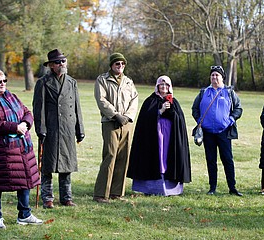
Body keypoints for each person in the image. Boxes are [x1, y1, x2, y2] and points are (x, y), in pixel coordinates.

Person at [0, 68, 42, 229]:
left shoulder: (11, 96)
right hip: (1, 148)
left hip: (21, 146)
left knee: (24, 179)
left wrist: (25, 124)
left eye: (5, 81)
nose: (3, 84)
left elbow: (27, 111)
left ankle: (24, 214)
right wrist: (15, 127)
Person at [33, 49, 85, 209]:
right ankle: (47, 198)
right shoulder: (43, 82)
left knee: (67, 165)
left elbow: (77, 107)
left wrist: (79, 129)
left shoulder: (72, 82)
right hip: (51, 128)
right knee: (47, 165)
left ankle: (66, 197)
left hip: (68, 128)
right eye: (57, 62)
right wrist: (40, 129)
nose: (61, 64)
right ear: (50, 65)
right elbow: (38, 108)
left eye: (63, 61)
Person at [127, 75, 191, 195]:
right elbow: (145, 120)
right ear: (157, 86)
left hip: (170, 138)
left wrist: (171, 111)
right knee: (156, 157)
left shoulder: (174, 102)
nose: (164, 87)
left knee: (167, 158)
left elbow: (179, 121)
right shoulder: (150, 101)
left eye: (166, 85)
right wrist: (159, 111)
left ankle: (171, 188)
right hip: (154, 137)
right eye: (161, 84)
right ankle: (151, 188)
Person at [93, 52, 138, 203]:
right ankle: (101, 194)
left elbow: (134, 100)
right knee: (110, 155)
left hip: (126, 123)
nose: (120, 66)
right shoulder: (102, 80)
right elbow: (101, 100)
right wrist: (115, 115)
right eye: (117, 64)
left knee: (123, 157)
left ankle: (117, 193)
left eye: (122, 64)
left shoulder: (128, 82)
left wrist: (127, 117)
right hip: (110, 122)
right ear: (111, 65)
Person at [192, 65, 243, 196]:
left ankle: (232, 187)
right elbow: (195, 109)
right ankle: (212, 187)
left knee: (227, 159)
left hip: (224, 132)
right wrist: (199, 121)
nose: (214, 77)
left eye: (217, 75)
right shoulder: (204, 92)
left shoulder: (229, 92)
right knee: (211, 160)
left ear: (222, 77)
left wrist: (230, 120)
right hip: (208, 132)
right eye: (212, 75)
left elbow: (238, 109)